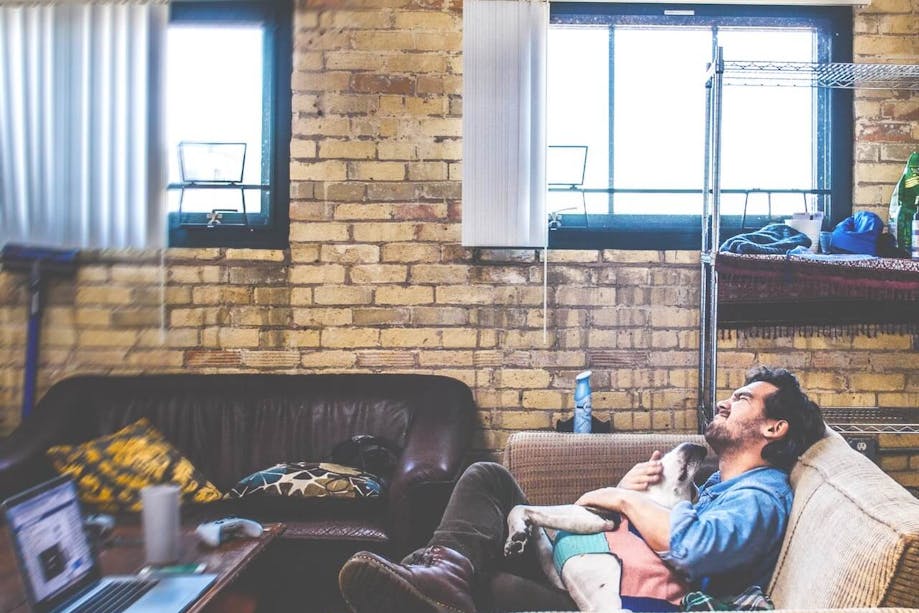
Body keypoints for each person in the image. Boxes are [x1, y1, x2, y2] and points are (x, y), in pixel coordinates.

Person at [338, 366, 825, 613]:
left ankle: (435, 575)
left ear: (774, 428)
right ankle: (441, 572)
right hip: (597, 574)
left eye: (742, 399)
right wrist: (633, 493)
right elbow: (672, 528)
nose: (725, 402)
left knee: (488, 550)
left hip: (616, 595)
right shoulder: (721, 484)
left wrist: (623, 498)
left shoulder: (761, 495)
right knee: (489, 484)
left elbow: (697, 547)